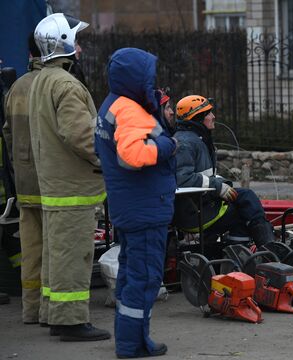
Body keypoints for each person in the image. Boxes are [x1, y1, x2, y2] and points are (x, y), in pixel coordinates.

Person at [28, 13, 110, 341]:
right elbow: (81, 136)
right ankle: (72, 322)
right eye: (75, 40)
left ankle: (55, 314)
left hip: (54, 184)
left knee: (56, 254)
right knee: (72, 256)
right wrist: (110, 159)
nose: (80, 46)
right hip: (72, 188)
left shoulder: (42, 80)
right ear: (62, 42)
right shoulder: (66, 84)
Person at [95, 47, 177, 358]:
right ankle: (131, 344)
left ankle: (135, 339)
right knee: (144, 278)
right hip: (144, 209)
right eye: (148, 76)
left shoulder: (113, 104)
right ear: (135, 79)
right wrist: (167, 146)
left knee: (133, 275)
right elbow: (131, 156)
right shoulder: (129, 110)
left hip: (132, 207)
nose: (152, 82)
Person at [174, 95, 275, 247]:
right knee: (245, 205)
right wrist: (218, 186)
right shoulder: (186, 144)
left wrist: (221, 183)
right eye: (208, 113)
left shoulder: (197, 139)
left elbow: (204, 174)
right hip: (194, 214)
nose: (213, 117)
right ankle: (269, 248)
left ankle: (237, 254)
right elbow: (181, 179)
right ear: (198, 117)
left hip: (202, 206)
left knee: (244, 202)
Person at [2, 35, 44, 324]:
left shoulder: (16, 87)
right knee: (55, 251)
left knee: (30, 250)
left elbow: (8, 134)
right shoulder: (54, 84)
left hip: (24, 182)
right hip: (51, 184)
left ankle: (31, 309)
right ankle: (52, 311)